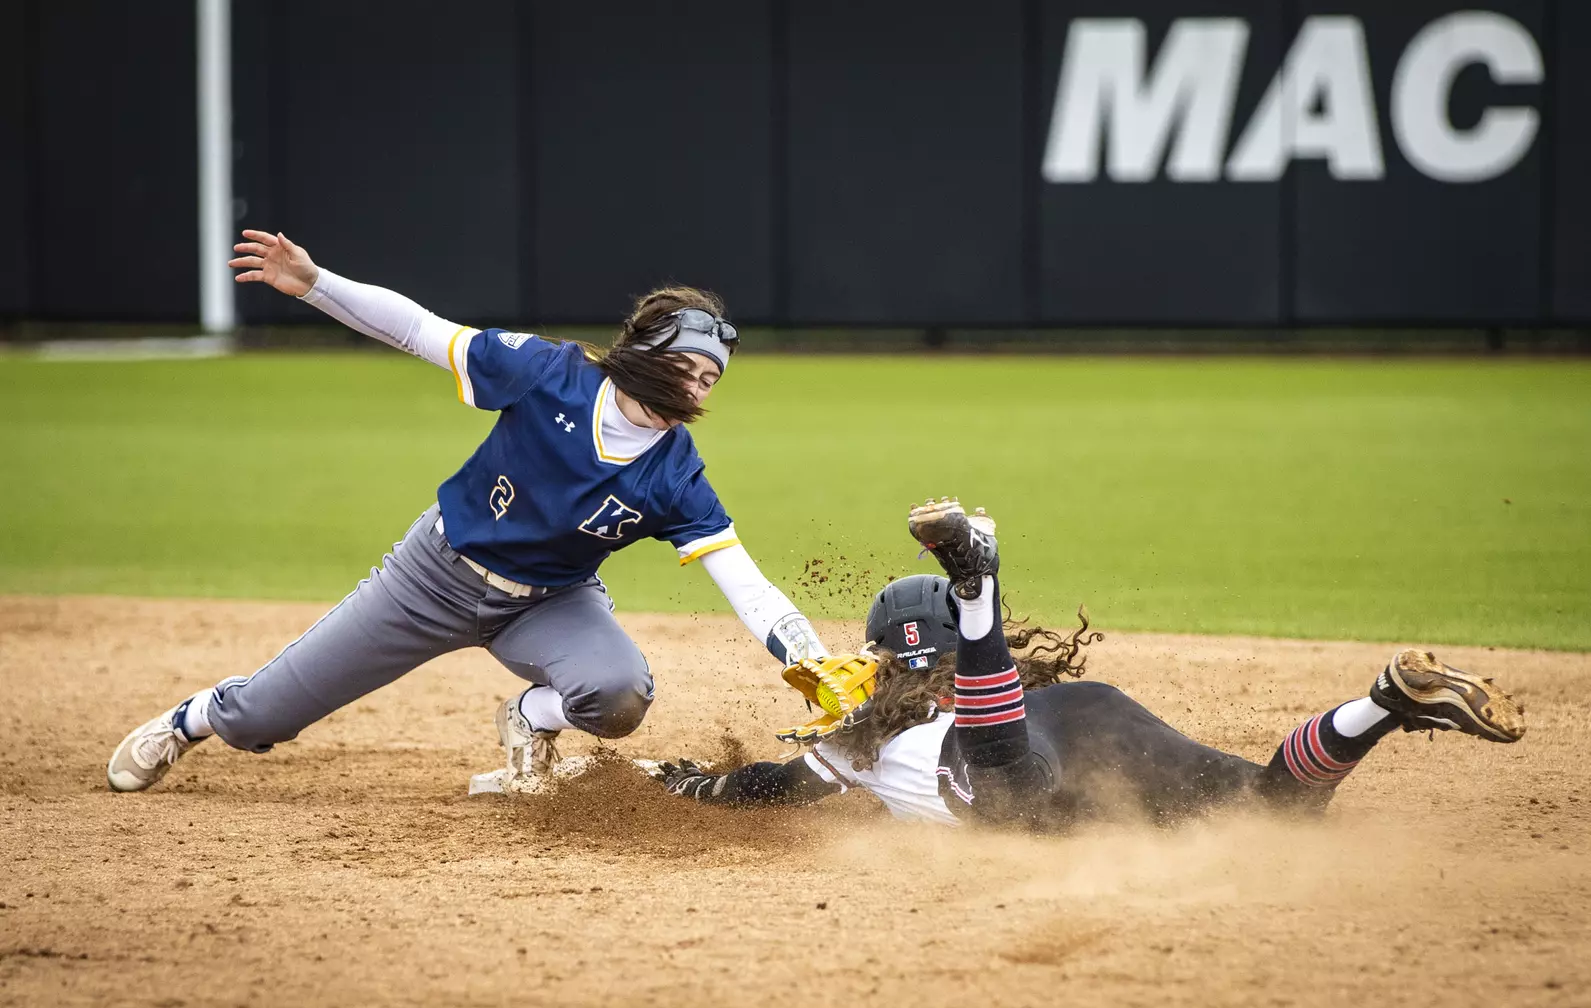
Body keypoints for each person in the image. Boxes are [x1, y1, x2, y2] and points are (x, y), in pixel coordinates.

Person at [108, 230, 844, 793]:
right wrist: (315, 284)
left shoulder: (675, 471)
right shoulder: (549, 373)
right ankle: (190, 720)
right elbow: (418, 329)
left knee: (618, 694)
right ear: (643, 353)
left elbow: (742, 580)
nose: (697, 388)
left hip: (550, 602)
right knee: (264, 715)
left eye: (710, 377)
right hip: (432, 578)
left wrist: (809, 661)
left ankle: (529, 720)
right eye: (686, 366)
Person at [655, 498, 1525, 827]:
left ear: (888, 653)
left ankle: (977, 580)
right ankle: (1379, 702)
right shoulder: (1046, 688)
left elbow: (765, 789)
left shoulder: (862, 736)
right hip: (1087, 712)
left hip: (1006, 751)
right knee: (1269, 809)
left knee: (1010, 785)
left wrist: (684, 781)